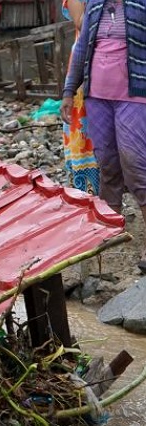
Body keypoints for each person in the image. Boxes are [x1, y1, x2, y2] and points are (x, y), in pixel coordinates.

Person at [60, 0, 146, 272]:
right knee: (107, 163)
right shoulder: (95, 5)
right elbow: (82, 47)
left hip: (134, 96)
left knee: (136, 167)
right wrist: (68, 91)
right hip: (97, 96)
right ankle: (111, 231)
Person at [61, 0, 100, 195]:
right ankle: (90, 197)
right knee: (86, 132)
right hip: (85, 66)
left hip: (121, 69)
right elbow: (83, 23)